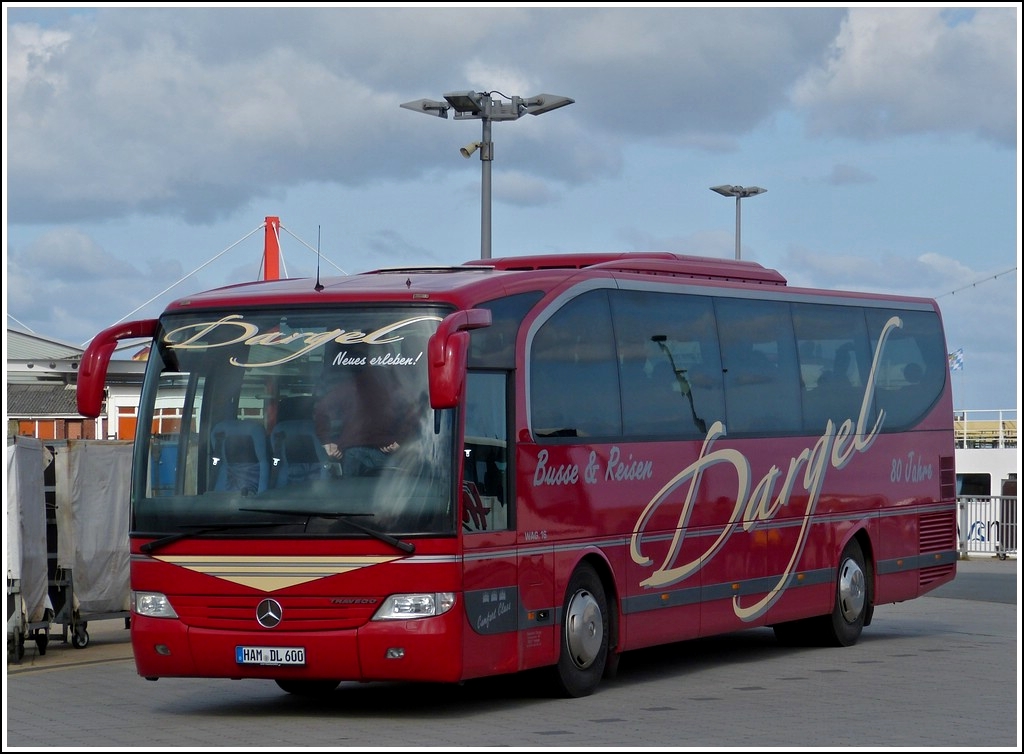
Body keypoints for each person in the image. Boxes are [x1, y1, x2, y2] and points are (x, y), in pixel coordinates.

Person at [313, 355, 418, 477]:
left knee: (351, 489)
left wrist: (326, 441)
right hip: (385, 452)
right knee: (385, 489)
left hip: (352, 452)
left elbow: (321, 409)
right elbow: (413, 414)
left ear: (366, 362)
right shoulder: (397, 387)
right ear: (392, 363)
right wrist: (400, 440)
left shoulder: (349, 385)